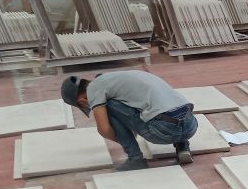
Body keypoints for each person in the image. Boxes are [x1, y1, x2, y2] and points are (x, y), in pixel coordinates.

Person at [60, 70, 198, 171]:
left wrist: (125, 139)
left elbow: (104, 129)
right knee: (165, 106)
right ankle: (182, 147)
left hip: (163, 131)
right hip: (191, 125)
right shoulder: (124, 77)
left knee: (108, 106)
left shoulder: (94, 88)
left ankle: (135, 159)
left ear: (82, 101)